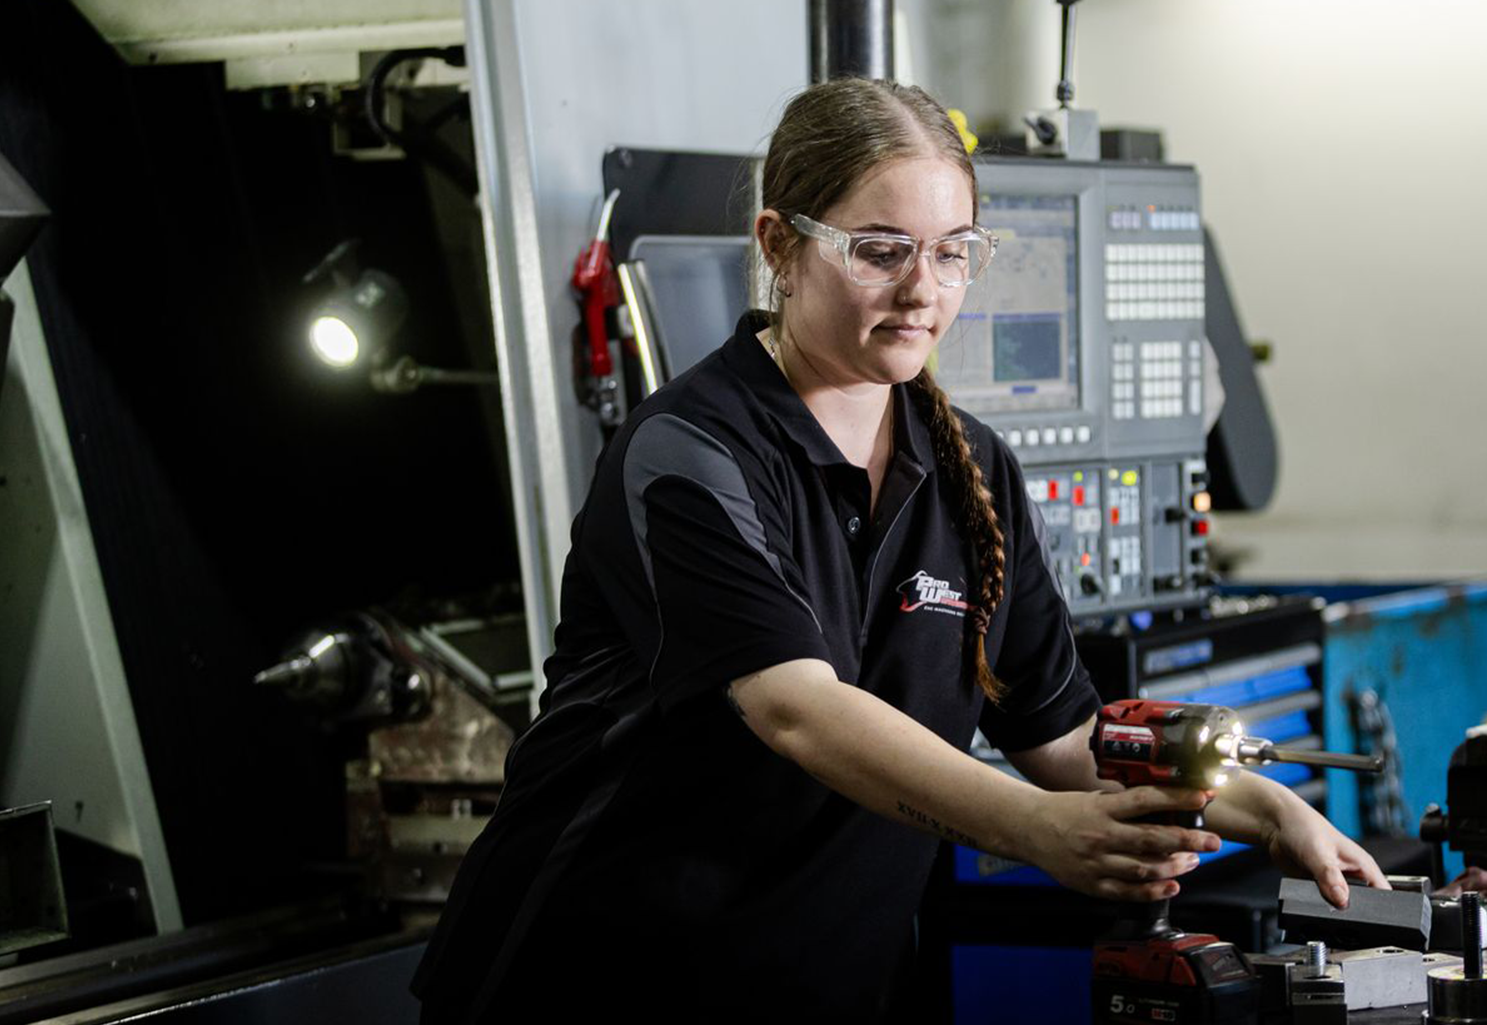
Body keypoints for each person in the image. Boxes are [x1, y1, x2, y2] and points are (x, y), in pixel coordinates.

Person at [412, 77, 1385, 1023]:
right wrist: (1037, 829)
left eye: (954, 251)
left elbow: (1061, 735)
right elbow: (799, 708)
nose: (924, 289)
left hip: (828, 976)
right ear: (781, 246)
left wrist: (1261, 809)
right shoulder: (692, 452)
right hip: (605, 975)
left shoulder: (973, 469)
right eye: (880, 250)